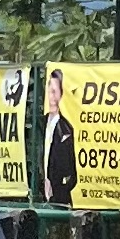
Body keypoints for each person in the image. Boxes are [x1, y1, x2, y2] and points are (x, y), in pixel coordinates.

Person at [44, 69, 77, 207]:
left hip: (59, 197)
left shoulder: (65, 128)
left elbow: (70, 171)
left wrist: (59, 188)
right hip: (41, 193)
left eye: (55, 92)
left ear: (61, 94)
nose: (52, 97)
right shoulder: (40, 123)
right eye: (49, 91)